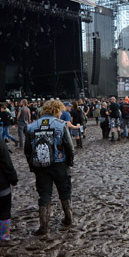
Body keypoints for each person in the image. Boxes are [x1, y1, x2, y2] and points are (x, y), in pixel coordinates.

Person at [25, 99, 75, 236]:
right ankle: (68, 218)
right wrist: (69, 163)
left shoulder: (31, 126)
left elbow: (27, 149)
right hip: (60, 164)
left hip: (40, 166)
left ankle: (43, 226)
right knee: (65, 191)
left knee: (44, 194)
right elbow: (69, 146)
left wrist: (32, 166)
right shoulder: (61, 125)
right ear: (56, 110)